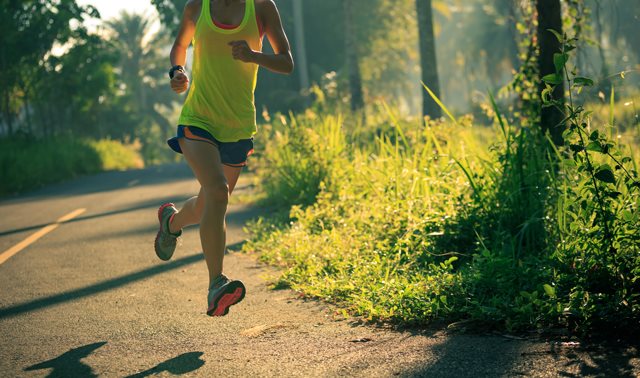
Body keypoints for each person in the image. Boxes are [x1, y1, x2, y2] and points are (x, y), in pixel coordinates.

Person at [154, 0, 293, 317]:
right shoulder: (197, 7)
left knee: (207, 204)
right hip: (198, 120)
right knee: (218, 192)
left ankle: (171, 222)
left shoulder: (261, 8)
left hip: (239, 127)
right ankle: (216, 284)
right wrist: (177, 72)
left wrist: (253, 55)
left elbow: (287, 63)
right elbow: (180, 46)